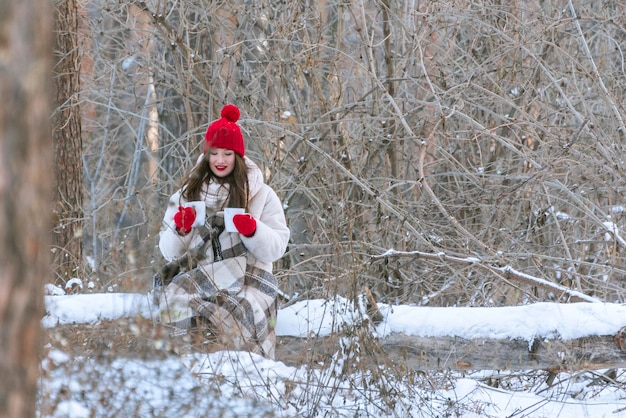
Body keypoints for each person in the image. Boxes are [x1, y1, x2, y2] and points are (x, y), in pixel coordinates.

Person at [154, 104, 290, 359]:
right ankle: (185, 370)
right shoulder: (185, 195)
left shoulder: (262, 194)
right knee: (173, 300)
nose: (219, 160)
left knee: (241, 307)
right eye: (214, 153)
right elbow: (168, 253)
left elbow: (276, 248)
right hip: (200, 277)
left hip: (251, 279)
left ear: (237, 156)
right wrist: (181, 228)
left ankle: (242, 375)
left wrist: (252, 229)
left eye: (227, 153)